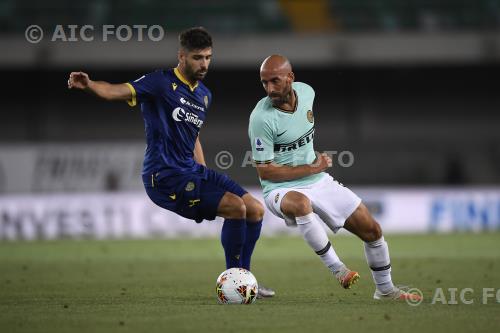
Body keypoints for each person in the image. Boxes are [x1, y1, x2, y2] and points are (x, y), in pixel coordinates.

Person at [67, 27, 274, 298]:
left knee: (255, 209)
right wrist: (91, 84)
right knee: (236, 208)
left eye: (208, 57)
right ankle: (236, 284)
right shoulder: (159, 83)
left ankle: (244, 281)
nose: (204, 64)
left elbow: (194, 136)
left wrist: (202, 170)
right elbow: (116, 91)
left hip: (191, 171)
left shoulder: (204, 95)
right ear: (182, 57)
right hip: (163, 176)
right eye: (198, 58)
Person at [248, 54, 421, 301]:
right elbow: (265, 171)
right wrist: (311, 167)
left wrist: (313, 170)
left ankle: (386, 291)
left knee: (372, 230)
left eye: (275, 81)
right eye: (264, 83)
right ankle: (339, 270)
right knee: (300, 203)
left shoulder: (307, 93)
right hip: (279, 189)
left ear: (291, 77)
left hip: (317, 181)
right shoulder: (261, 118)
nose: (269, 88)